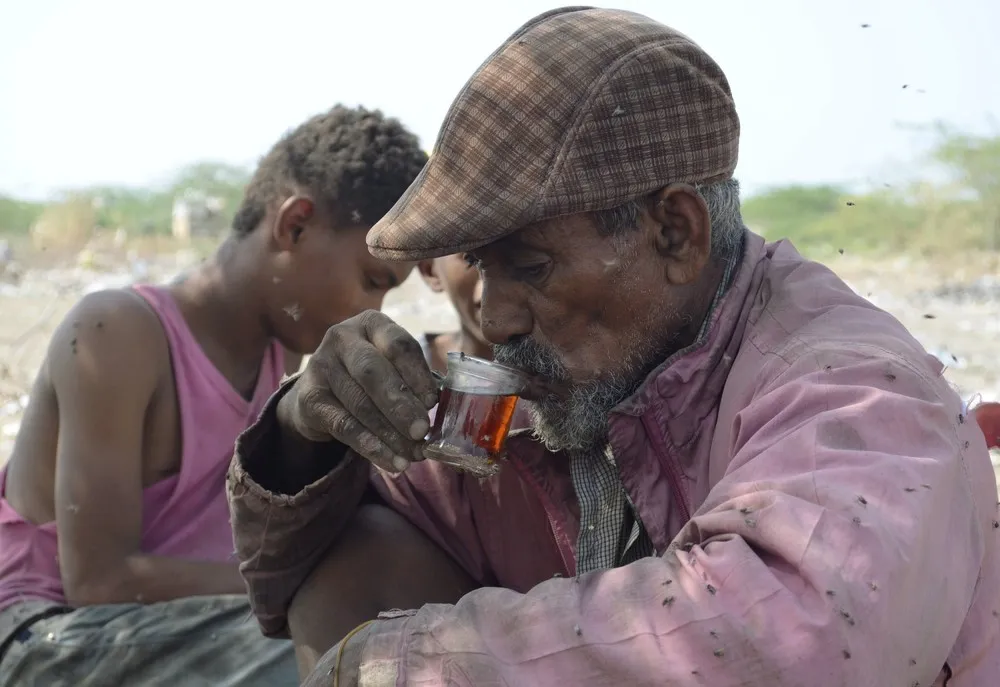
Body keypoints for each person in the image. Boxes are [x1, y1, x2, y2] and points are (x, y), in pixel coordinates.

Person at [228, 8, 1000, 687]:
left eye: (529, 267)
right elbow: (303, 566)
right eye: (483, 267)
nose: (495, 318)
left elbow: (796, 642)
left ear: (676, 232)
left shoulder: (856, 389)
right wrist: (303, 430)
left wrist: (405, 664)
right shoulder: (560, 385)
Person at [0, 104, 426, 686]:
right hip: (43, 634)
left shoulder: (283, 356)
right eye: (373, 281)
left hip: (169, 625)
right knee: (341, 660)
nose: (371, 311)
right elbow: (98, 584)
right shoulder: (114, 333)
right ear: (294, 224)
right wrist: (296, 585)